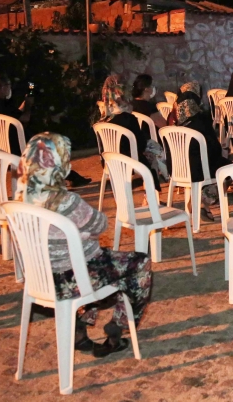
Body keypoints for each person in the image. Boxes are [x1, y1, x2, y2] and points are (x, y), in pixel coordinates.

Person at [16, 132, 152, 357]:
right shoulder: (66, 201)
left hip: (42, 278)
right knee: (139, 264)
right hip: (75, 279)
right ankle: (118, 328)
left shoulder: (19, 199)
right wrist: (83, 232)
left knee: (111, 263)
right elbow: (101, 225)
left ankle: (80, 326)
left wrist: (77, 233)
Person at [0, 74, 91, 187]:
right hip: (20, 146)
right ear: (3, 87)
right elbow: (24, 119)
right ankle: (70, 177)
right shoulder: (2, 105)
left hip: (5, 148)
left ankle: (67, 178)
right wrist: (29, 106)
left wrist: (25, 103)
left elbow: (14, 117)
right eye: (9, 86)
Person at [167, 81, 231, 221]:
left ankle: (195, 205)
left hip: (177, 168)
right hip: (197, 170)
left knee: (207, 161)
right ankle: (203, 202)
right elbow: (214, 148)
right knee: (228, 167)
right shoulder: (200, 120)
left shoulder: (172, 119)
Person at [101, 75, 166, 184]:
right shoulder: (128, 117)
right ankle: (167, 179)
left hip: (108, 160)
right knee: (155, 152)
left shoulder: (103, 120)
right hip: (130, 159)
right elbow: (140, 144)